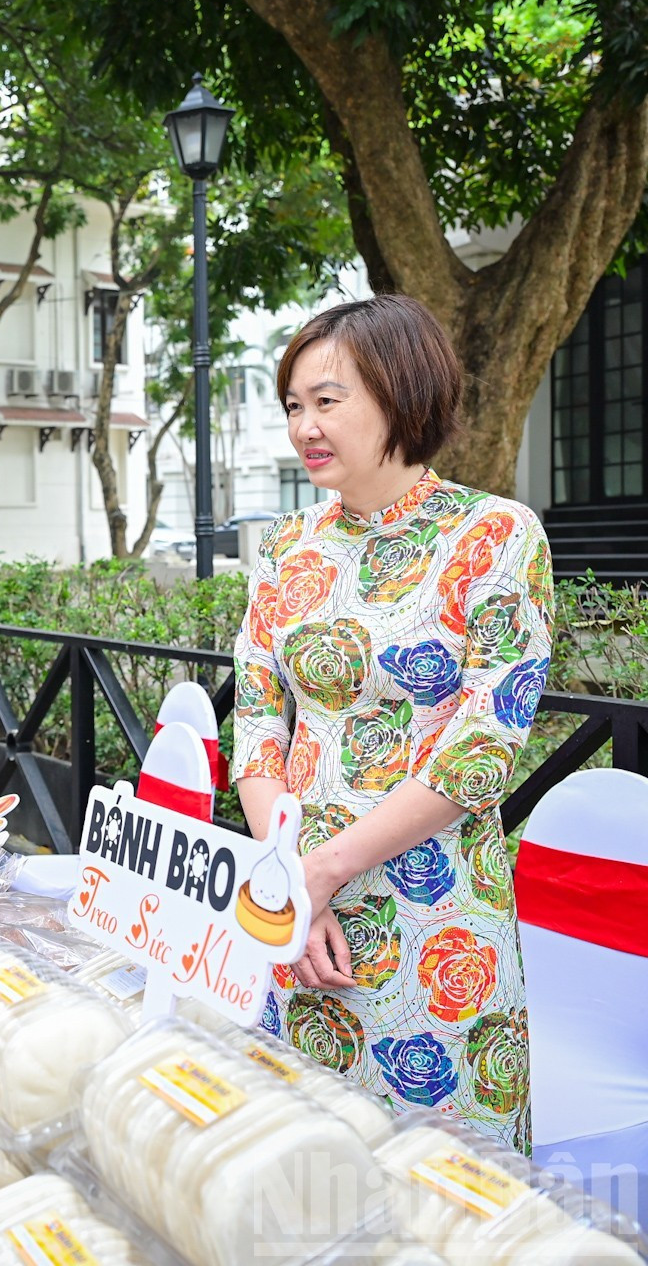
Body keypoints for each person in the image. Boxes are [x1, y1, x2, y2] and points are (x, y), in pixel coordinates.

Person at [233, 295, 554, 1151]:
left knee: (449, 1185)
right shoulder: (286, 546)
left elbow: (485, 747)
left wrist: (325, 870)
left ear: (401, 392)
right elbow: (259, 725)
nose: (306, 425)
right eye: (294, 405)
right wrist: (289, 879)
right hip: (300, 912)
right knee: (307, 1167)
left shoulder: (494, 536)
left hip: (436, 912)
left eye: (328, 400)